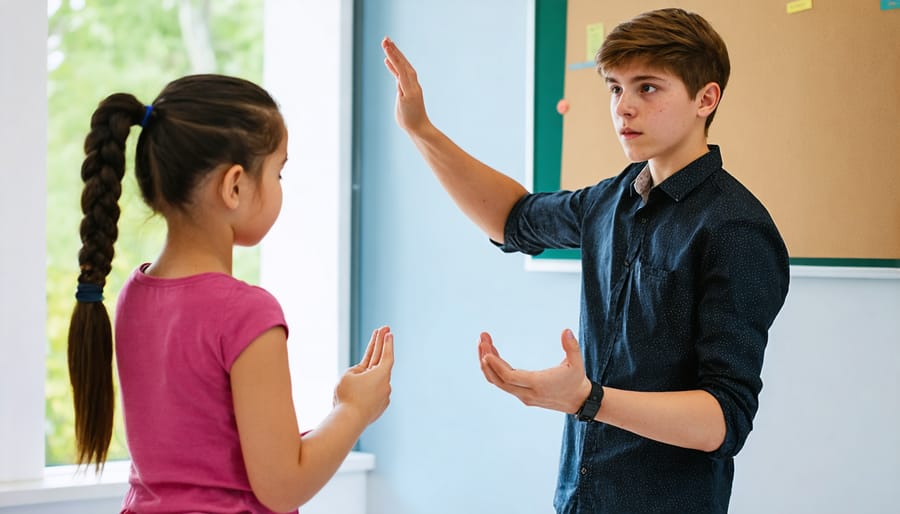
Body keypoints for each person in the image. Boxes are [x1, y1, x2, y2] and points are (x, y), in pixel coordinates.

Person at [383, 7, 788, 514]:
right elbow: (512, 219)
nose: (624, 108)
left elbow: (723, 420)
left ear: (705, 99)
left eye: (647, 88)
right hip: (580, 500)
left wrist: (586, 399)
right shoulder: (612, 200)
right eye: (616, 88)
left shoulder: (736, 229)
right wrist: (422, 130)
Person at [67, 74, 394, 514]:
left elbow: (213, 457)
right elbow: (283, 485)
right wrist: (354, 411)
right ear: (234, 186)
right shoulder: (246, 314)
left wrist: (336, 413)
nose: (280, 185)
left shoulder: (134, 295)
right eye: (278, 172)